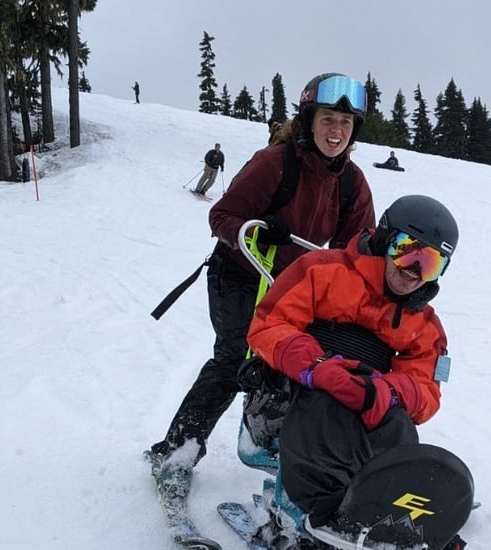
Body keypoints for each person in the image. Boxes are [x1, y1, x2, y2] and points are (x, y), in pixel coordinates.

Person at [148, 73, 375, 484]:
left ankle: (282, 453)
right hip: (238, 274)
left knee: (297, 365)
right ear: (309, 120)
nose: (336, 131)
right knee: (235, 360)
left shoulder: (351, 183)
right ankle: (176, 451)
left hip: (291, 287)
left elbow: (357, 248)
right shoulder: (276, 163)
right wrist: (252, 230)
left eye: (345, 123)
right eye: (327, 120)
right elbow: (221, 216)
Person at [246, 195, 465, 548]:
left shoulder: (425, 324)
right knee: (327, 406)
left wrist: (386, 391)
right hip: (290, 390)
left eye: (429, 264)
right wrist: (316, 368)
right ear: (383, 239)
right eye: (407, 251)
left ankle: (394, 513)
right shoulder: (323, 270)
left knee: (397, 424)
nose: (413, 272)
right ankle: (316, 515)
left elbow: (426, 392)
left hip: (361, 396)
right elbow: (269, 326)